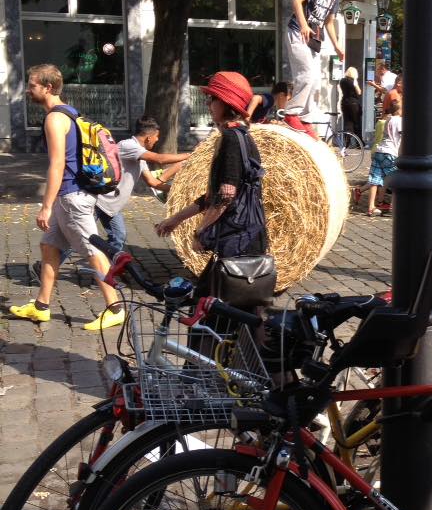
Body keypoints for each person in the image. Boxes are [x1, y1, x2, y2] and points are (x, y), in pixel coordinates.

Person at [9, 64, 124, 330]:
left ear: (47, 87)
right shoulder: (70, 113)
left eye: (32, 85)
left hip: (71, 198)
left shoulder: (54, 118)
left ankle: (115, 308)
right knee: (49, 247)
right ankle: (41, 307)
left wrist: (46, 206)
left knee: (93, 251)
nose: (28, 89)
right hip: (71, 196)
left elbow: (57, 164)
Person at [155, 71, 269, 302]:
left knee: (218, 309)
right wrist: (175, 219)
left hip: (239, 242)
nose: (207, 103)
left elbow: (226, 196)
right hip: (243, 239)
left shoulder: (231, 138)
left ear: (226, 103)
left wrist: (201, 232)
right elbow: (212, 197)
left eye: (212, 98)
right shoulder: (238, 135)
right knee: (221, 309)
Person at [35, 116, 191, 272]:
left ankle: (106, 272)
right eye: (157, 138)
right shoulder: (128, 146)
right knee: (80, 239)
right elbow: (160, 159)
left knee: (113, 237)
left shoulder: (139, 154)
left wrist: (176, 188)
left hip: (111, 205)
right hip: (100, 201)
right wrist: (191, 155)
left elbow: (153, 182)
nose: (156, 141)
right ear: (149, 137)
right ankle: (99, 272)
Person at [285, 0, 356, 134]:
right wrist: (303, 25)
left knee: (316, 80)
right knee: (306, 75)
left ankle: (306, 119)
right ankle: (291, 113)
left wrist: (337, 46)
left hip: (315, 40)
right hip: (298, 33)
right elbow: (297, 1)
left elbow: (329, 22)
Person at [365, 98, 402, 216]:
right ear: (399, 110)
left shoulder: (388, 119)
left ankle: (371, 207)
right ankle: (394, 206)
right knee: (397, 180)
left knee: (375, 180)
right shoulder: (400, 121)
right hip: (391, 152)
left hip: (379, 151)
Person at [339, 66, 362, 138]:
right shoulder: (353, 81)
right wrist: (355, 83)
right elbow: (359, 92)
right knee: (356, 122)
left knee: (347, 122)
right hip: (353, 103)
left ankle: (346, 141)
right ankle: (359, 141)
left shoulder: (342, 81)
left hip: (344, 102)